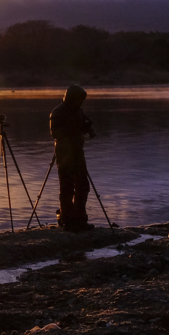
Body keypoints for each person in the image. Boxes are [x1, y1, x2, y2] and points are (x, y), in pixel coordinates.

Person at [49, 85, 96, 232]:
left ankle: (80, 217)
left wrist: (85, 127)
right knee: (67, 186)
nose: (79, 102)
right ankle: (67, 220)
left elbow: (79, 128)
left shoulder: (78, 111)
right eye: (78, 99)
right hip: (64, 152)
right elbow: (55, 133)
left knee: (83, 185)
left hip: (77, 151)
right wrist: (74, 129)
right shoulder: (57, 112)